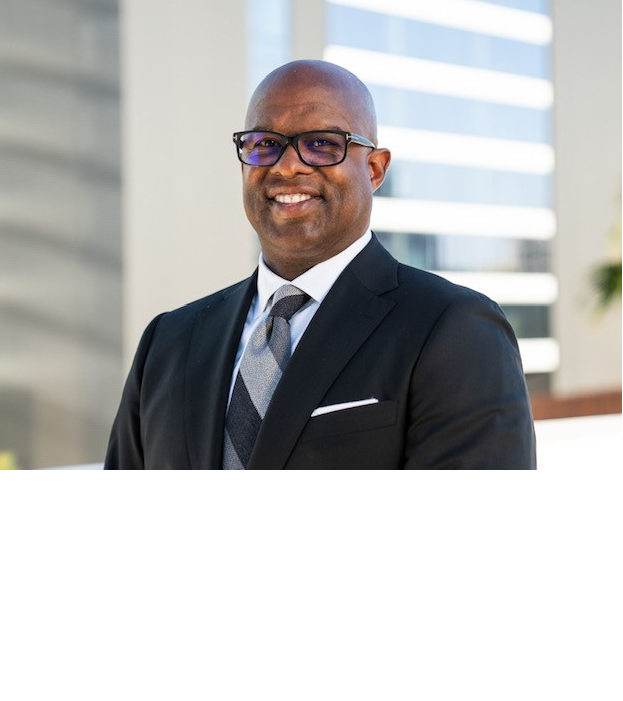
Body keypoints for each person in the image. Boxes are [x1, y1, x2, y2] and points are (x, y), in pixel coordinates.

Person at [105, 60, 537, 470]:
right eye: (264, 144)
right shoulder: (168, 342)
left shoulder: (454, 329)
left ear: (375, 169)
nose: (288, 166)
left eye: (322, 144)